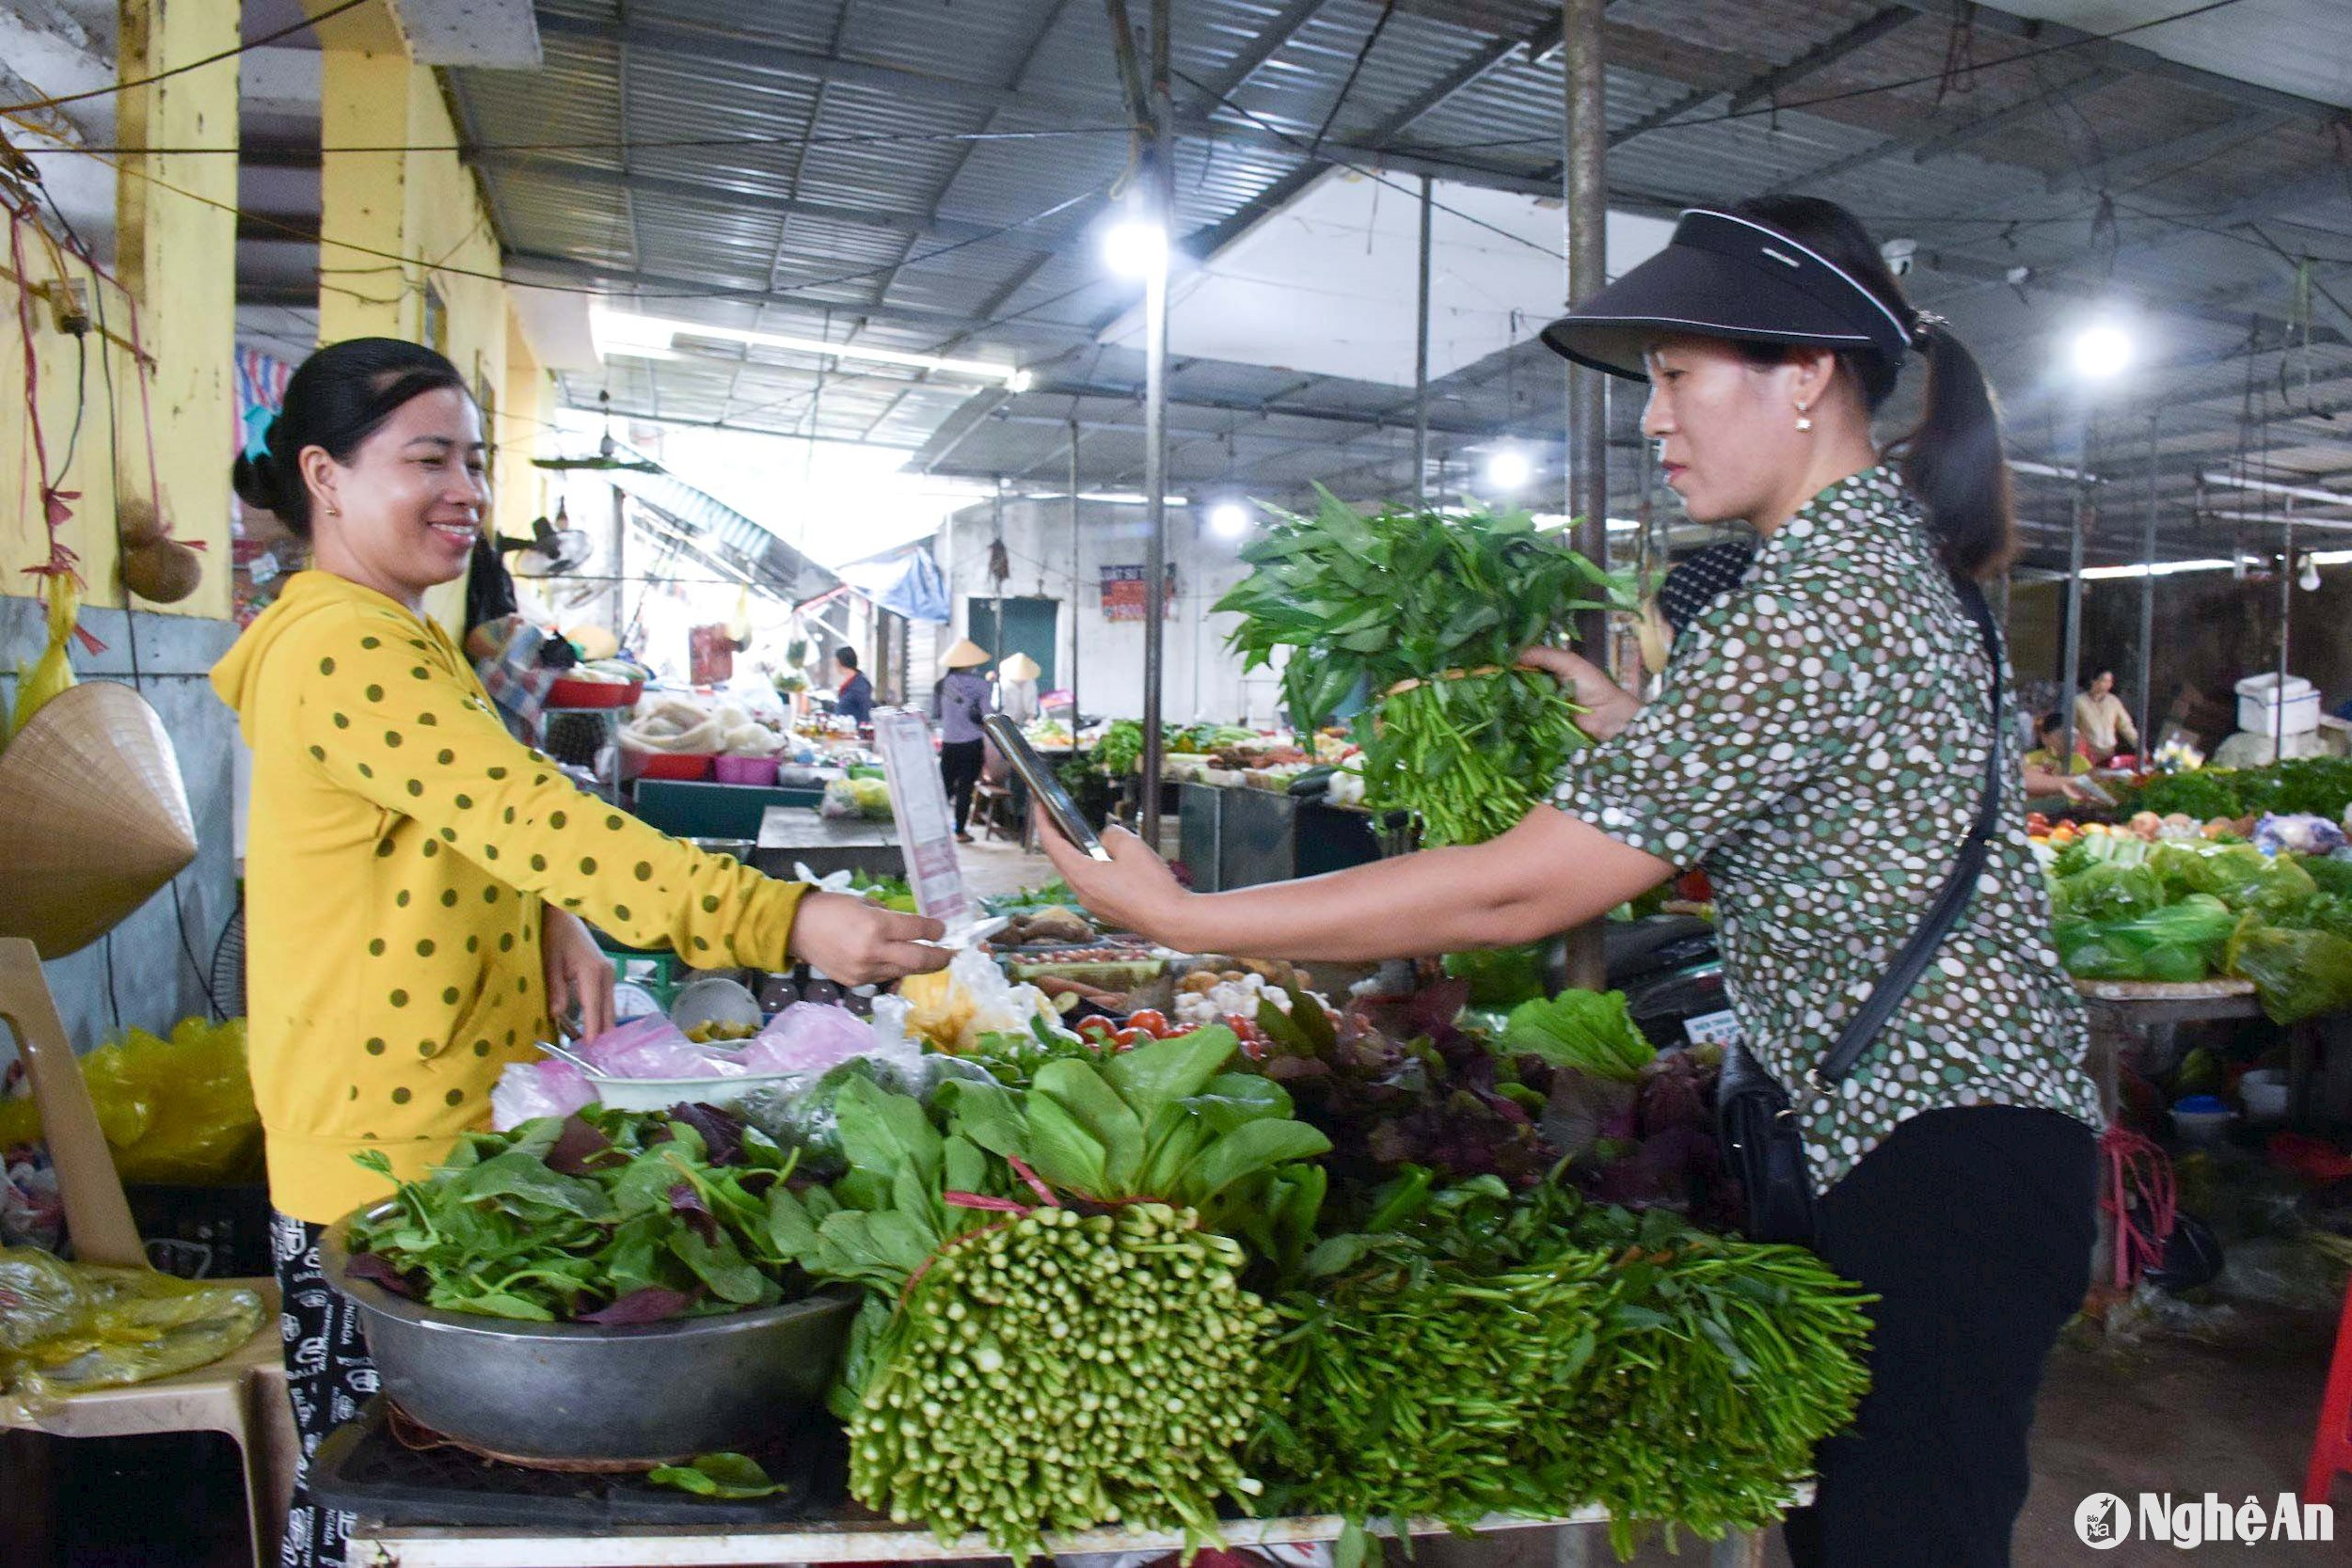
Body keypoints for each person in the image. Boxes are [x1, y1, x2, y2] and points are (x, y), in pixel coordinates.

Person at [1035, 198, 2101, 1568]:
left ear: (1806, 376)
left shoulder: (1818, 602)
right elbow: (1856, 813)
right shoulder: (1882, 565)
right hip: (1941, 1133)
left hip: (1939, 1152)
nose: (1652, 422)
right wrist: (1635, 735)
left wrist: (1183, 916)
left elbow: (1512, 894)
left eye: (1676, 377)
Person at [215, 339, 949, 1568]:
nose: (467, 490)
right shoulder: (343, 646)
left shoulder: (391, 632)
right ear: (325, 476)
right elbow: (534, 817)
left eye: (476, 459)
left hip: (436, 1129)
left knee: (443, 1502)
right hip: (382, 1156)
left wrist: (549, 912)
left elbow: (467, 807)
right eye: (428, 458)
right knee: (394, 1513)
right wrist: (782, 917)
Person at [933, 639, 993, 843]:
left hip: (949, 743)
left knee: (945, 788)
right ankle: (959, 831)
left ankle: (935, 830)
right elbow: (987, 715)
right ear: (971, 663)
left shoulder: (941, 685)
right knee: (965, 789)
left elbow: (937, 713)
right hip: (972, 743)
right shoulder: (982, 685)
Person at [2074, 669, 2137, 765]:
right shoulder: (2078, 701)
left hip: (2109, 752)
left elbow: (2126, 726)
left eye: (2110, 681)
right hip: (2087, 753)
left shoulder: (2113, 701)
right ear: (2094, 681)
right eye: (2104, 681)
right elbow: (2072, 728)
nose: (2108, 684)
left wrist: (2139, 745)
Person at [834, 644, 874, 726]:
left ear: (840, 662)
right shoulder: (849, 683)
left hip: (855, 733)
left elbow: (865, 710)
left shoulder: (859, 685)